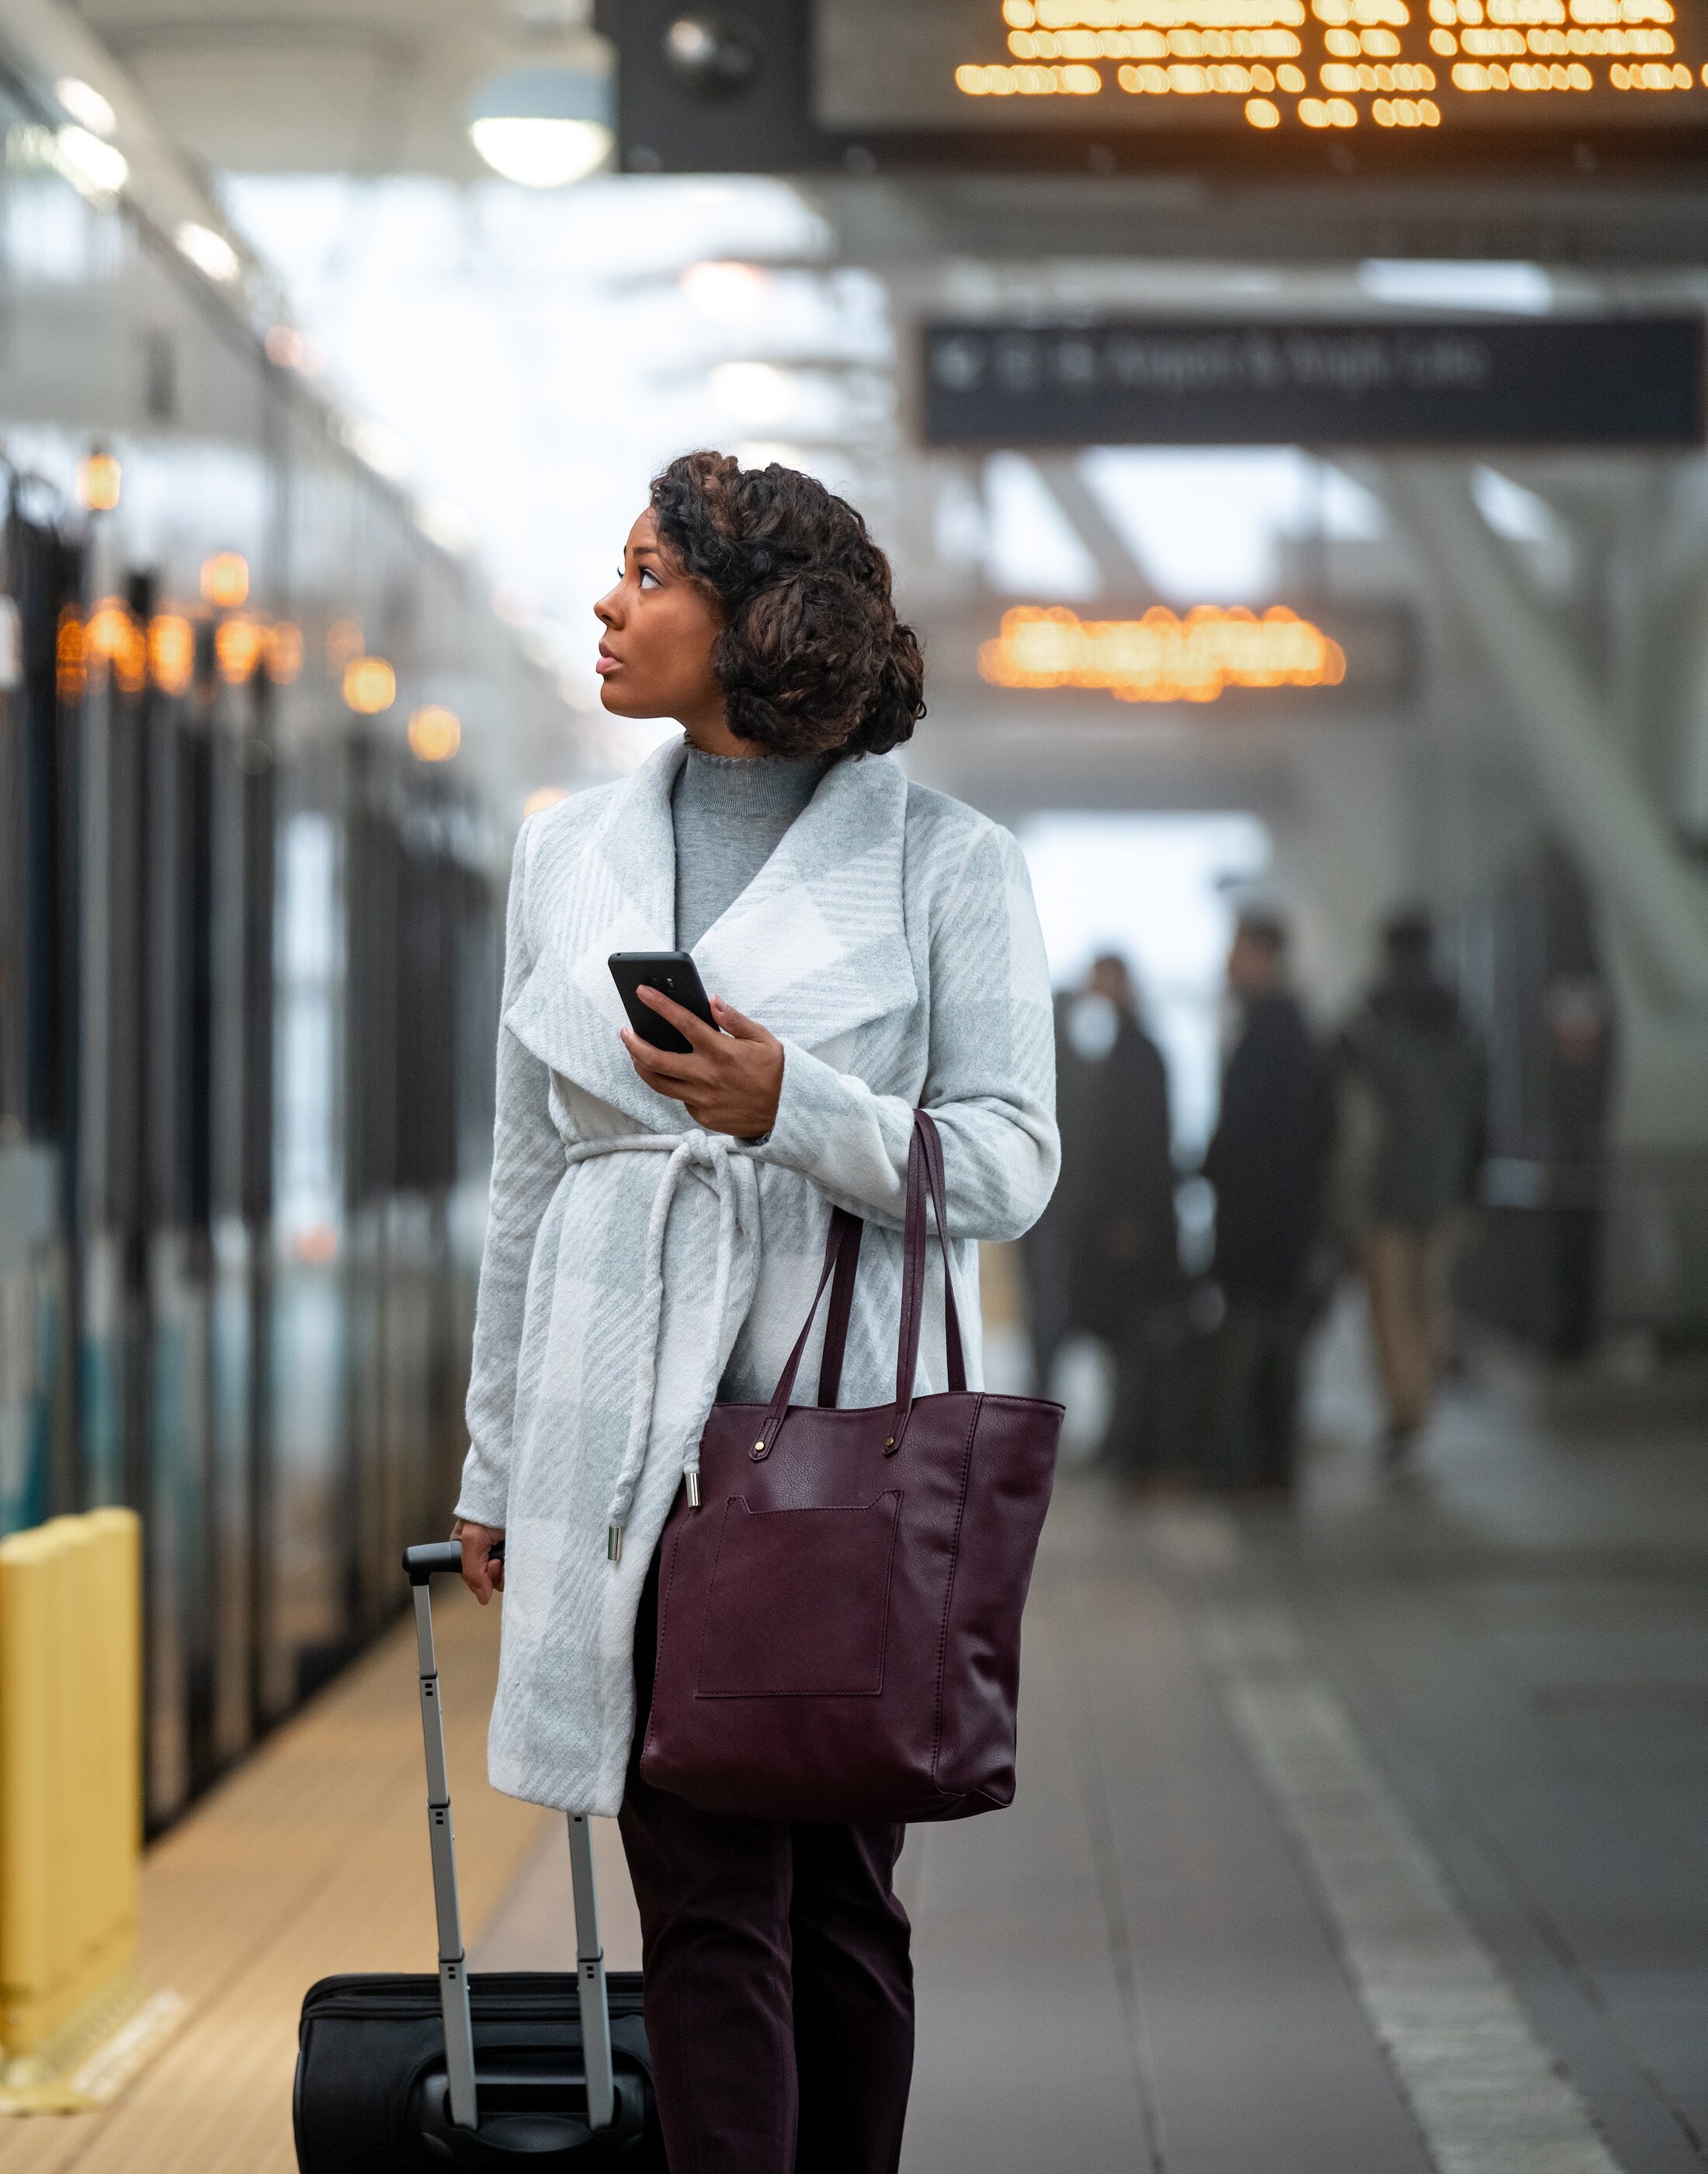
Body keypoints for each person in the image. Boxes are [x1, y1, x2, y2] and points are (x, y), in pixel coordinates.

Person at [446, 451, 1058, 2174]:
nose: (609, 600)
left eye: (651, 572)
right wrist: (493, 1462)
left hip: (835, 1452)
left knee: (842, 1898)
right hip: (615, 1444)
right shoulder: (564, 854)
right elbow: (524, 1179)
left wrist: (796, 1106)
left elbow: (1011, 1163)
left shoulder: (949, 864)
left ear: (755, 623)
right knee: (704, 1900)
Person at [1335, 910, 1484, 1457]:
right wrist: (1470, 1188)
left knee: (1390, 1308)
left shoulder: (1371, 1025)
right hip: (1442, 1189)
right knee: (1430, 1303)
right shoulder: (1458, 1024)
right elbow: (1479, 1117)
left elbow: (1353, 1119)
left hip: (1384, 1192)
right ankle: (1419, 1404)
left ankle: (1405, 1410)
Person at [1199, 914, 1329, 1494]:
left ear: (1265, 956)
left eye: (1238, 950)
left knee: (1257, 1349)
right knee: (1270, 1349)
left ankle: (1251, 1465)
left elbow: (1266, 1138)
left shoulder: (1275, 1032)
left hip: (1265, 1228)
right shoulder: (1284, 1027)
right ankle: (1264, 1466)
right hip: (1274, 1225)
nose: (1229, 963)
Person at [1050, 954, 1189, 1487]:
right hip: (1124, 1219)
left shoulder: (1137, 1053)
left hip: (1129, 1224)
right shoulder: (1130, 1048)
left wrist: (1130, 1218)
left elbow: (1143, 1144)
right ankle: (1125, 1439)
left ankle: (1135, 1442)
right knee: (1121, 1337)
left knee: (1131, 1337)